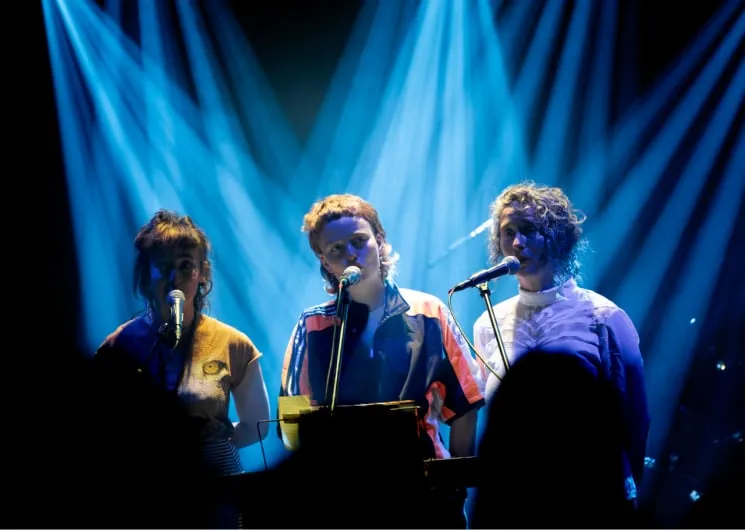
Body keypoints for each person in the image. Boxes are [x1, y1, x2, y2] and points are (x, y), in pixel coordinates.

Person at [279, 193, 485, 528]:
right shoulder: (312, 325)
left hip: (426, 493)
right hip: (343, 498)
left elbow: (465, 403)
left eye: (359, 241)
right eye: (336, 249)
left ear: (380, 240)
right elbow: (290, 420)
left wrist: (455, 482)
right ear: (324, 261)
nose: (350, 254)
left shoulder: (428, 312)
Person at [472, 182, 651, 516]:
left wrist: (622, 494)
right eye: (508, 232)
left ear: (556, 236)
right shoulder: (487, 324)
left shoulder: (604, 317)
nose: (517, 243)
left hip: (590, 499)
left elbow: (635, 418)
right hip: (515, 502)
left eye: (528, 230)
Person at [95, 209, 271, 528]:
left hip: (218, 498)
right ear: (145, 273)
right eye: (163, 266)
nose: (174, 277)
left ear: (202, 273)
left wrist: (217, 436)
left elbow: (258, 424)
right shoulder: (119, 346)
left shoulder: (233, 343)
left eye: (185, 265)